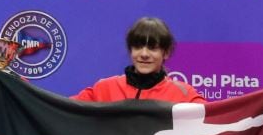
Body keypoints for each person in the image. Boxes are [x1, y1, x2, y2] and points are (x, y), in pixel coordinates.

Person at [73, 16, 204, 103]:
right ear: (130, 50)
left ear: (166, 53)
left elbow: (215, 120)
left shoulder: (184, 95)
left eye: (153, 48)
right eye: (138, 47)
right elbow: (63, 110)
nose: (144, 54)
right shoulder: (103, 89)